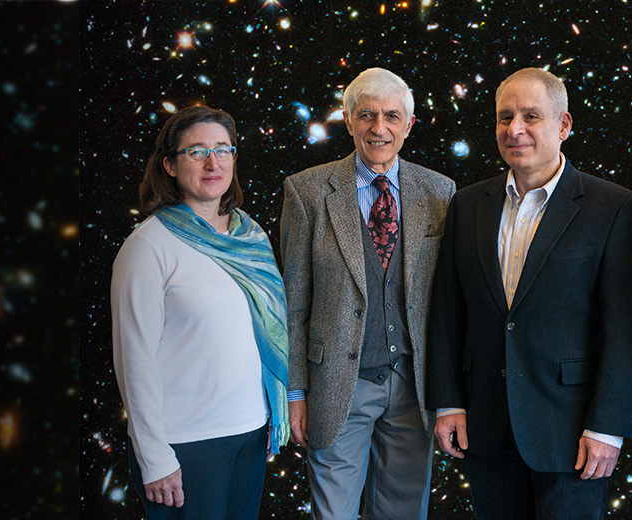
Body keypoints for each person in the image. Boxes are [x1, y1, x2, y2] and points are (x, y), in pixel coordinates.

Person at [425, 67, 632, 520]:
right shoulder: (467, 206)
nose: (515, 130)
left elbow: (624, 329)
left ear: (563, 126)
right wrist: (448, 402)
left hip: (572, 432)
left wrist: (608, 427)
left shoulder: (613, 207)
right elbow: (447, 313)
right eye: (505, 117)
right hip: (486, 426)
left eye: (531, 116)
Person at [279, 67, 455, 519]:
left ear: (409, 125)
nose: (380, 128)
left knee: (402, 510)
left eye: (392, 116)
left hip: (413, 387)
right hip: (338, 384)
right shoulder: (307, 191)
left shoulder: (439, 192)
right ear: (347, 118)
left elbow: (451, 304)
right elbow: (294, 304)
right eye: (367, 115)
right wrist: (295, 393)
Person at [110, 106, 289, 519]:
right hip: (186, 444)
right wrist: (155, 456)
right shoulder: (149, 246)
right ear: (170, 165)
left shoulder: (251, 234)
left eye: (223, 150)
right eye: (197, 152)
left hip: (250, 431)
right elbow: (133, 360)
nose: (213, 162)